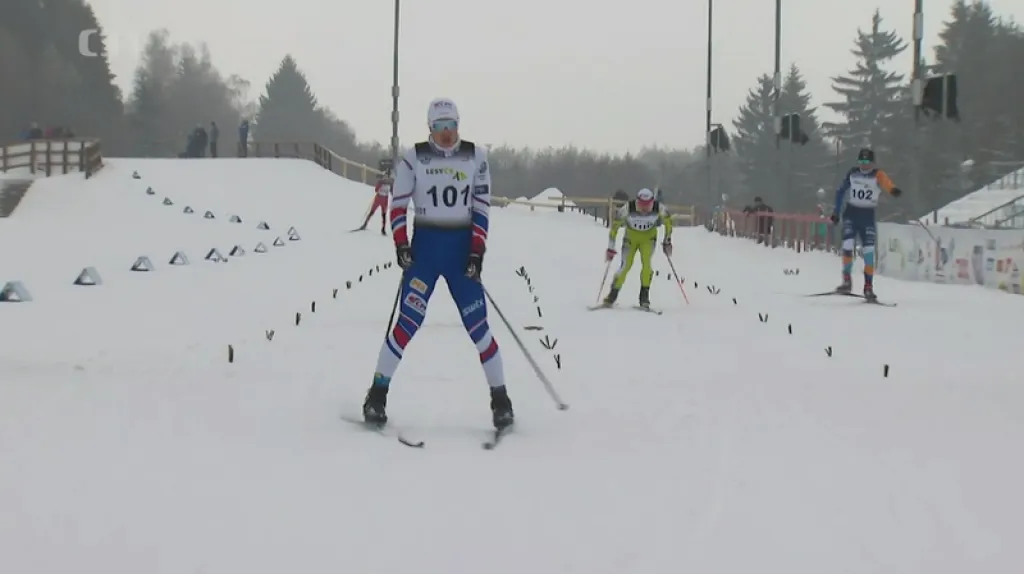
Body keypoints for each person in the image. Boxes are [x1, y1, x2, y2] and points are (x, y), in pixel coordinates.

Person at [362, 98, 513, 430]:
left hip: (460, 250)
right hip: (426, 250)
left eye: (451, 126)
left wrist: (477, 251)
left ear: (459, 125)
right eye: (439, 128)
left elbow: (482, 208)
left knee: (479, 328)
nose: (446, 134)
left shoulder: (477, 157)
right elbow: (399, 206)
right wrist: (401, 245)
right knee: (407, 324)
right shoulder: (414, 157)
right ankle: (377, 395)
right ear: (429, 129)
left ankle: (501, 400)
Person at [830, 147, 902, 299]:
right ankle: (847, 281)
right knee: (847, 244)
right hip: (851, 213)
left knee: (869, 252)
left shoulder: (877, 174)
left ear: (873, 163)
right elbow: (840, 192)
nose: (864, 165)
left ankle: (868, 286)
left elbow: (886, 183)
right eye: (861, 161)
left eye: (867, 162)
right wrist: (836, 212)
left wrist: (893, 190)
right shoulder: (852, 173)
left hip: (867, 216)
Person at [601, 188, 673, 309]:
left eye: (647, 205)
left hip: (648, 239)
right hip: (630, 239)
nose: (644, 209)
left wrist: (667, 241)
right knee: (625, 266)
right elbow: (614, 228)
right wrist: (610, 248)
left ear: (652, 202)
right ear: (636, 201)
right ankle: (612, 296)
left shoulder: (659, 208)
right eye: (641, 205)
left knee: (647, 266)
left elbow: (669, 223)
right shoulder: (627, 208)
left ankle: (644, 297)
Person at [358, 169, 391, 234]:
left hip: (385, 200)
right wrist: (379, 184)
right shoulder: (381, 182)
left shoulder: (389, 183)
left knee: (383, 215)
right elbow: (376, 190)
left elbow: (392, 191)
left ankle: (383, 229)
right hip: (378, 199)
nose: (386, 178)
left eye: (387, 177)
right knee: (372, 212)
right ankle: (365, 224)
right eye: (385, 176)